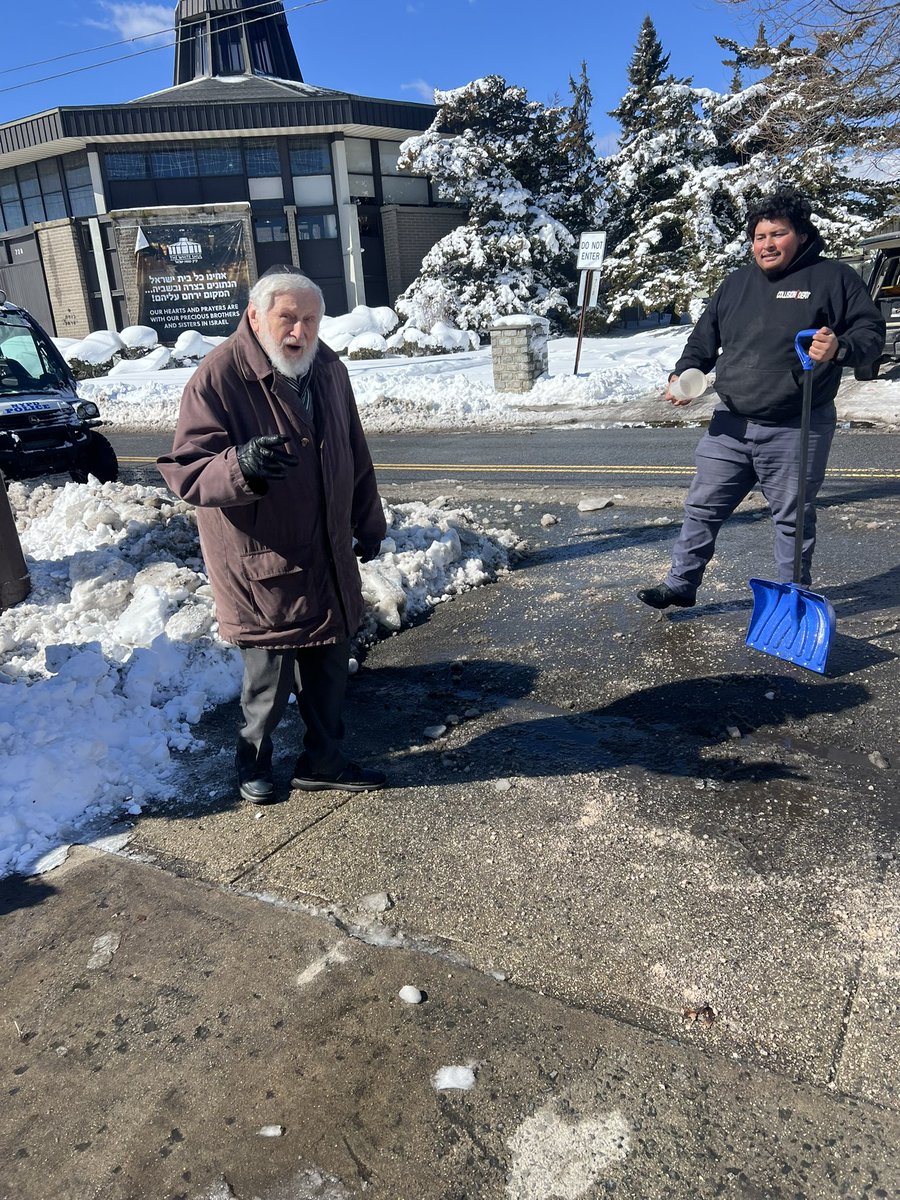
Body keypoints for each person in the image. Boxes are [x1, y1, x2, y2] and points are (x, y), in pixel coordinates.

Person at [158, 267, 387, 803]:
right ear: (256, 316)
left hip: (328, 555)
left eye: (311, 320)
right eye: (288, 318)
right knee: (268, 680)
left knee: (330, 671)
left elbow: (354, 454)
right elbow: (185, 471)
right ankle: (252, 765)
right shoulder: (219, 375)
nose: (300, 332)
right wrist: (239, 465)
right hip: (263, 560)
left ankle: (324, 762)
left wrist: (367, 522)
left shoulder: (327, 368)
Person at [637, 189, 885, 611]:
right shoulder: (736, 283)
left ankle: (792, 602)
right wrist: (684, 372)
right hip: (730, 423)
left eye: (778, 233)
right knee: (701, 507)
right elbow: (704, 338)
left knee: (792, 520)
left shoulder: (834, 278)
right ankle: (681, 584)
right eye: (758, 236)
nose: (766, 244)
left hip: (796, 424)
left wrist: (840, 347)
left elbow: (870, 334)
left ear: (802, 235)